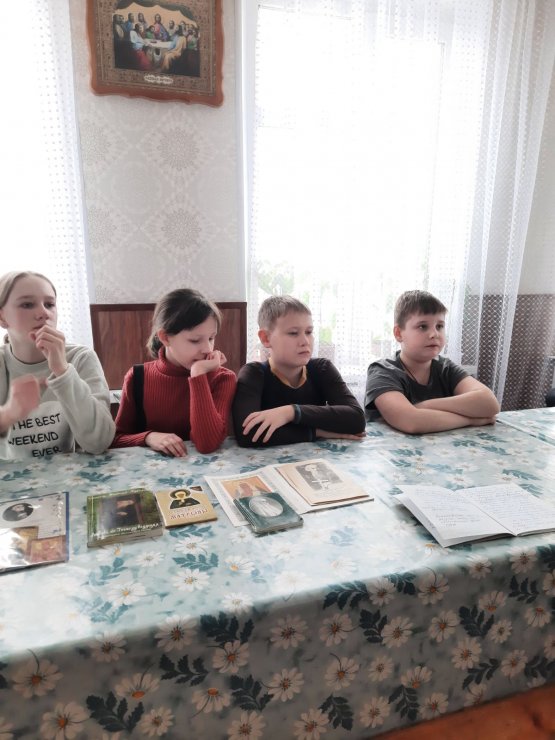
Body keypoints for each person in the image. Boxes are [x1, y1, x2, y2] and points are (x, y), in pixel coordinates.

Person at [0, 271, 115, 459]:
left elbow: (99, 442)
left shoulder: (81, 357)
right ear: (2, 317)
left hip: (70, 474)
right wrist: (8, 414)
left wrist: (63, 371)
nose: (43, 313)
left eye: (49, 304)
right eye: (27, 304)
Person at [111, 288, 236, 456]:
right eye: (195, 340)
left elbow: (207, 443)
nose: (207, 348)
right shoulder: (137, 377)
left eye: (211, 338)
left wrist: (198, 374)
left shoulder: (223, 378)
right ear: (165, 337)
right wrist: (148, 437)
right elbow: (116, 439)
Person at [232, 295, 366, 446]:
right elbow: (247, 434)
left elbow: (356, 420)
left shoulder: (322, 369)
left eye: (309, 332)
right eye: (293, 333)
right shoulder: (254, 374)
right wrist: (317, 432)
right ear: (266, 338)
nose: (305, 341)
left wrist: (291, 412)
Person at [365, 289, 500, 434]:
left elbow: (490, 404)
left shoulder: (445, 367)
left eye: (439, 326)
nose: (434, 334)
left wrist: (424, 406)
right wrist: (471, 420)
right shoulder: (382, 371)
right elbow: (411, 422)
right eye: (422, 326)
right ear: (398, 333)